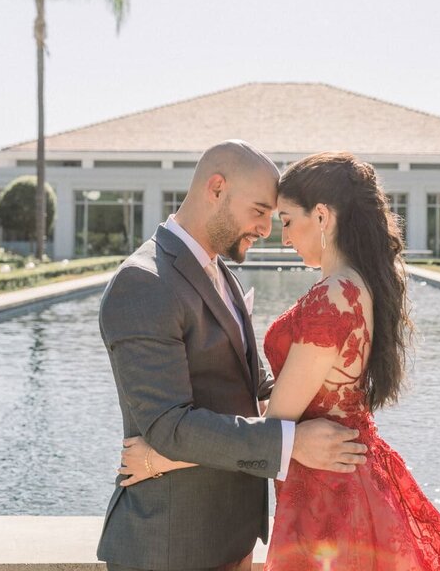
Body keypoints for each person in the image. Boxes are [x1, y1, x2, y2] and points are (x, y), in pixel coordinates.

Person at [120, 151, 440, 570]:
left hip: (328, 491)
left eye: (288, 221)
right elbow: (296, 406)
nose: (283, 237)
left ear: (323, 217)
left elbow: (277, 423)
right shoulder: (356, 285)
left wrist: (165, 457)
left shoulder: (331, 297)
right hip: (346, 473)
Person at [98, 141, 368, 571]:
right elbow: (167, 424)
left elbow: (252, 388)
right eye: (259, 211)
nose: (266, 229)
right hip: (172, 547)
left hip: (233, 536)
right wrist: (291, 444)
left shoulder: (220, 271)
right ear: (216, 188)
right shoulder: (143, 282)